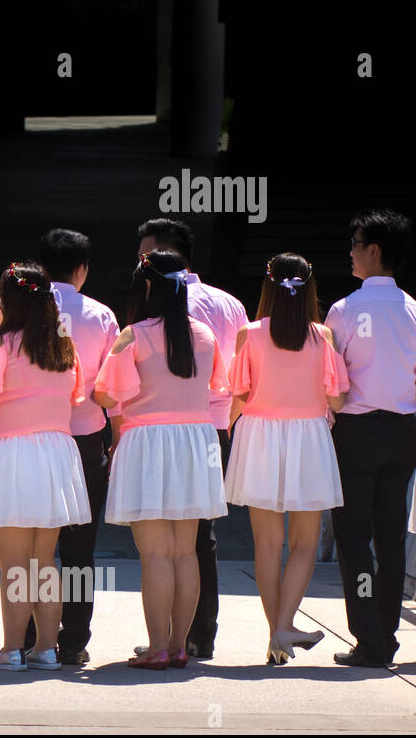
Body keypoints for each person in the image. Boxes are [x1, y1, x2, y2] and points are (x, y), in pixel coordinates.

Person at [93, 249, 229, 671]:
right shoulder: (205, 334)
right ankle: (179, 645)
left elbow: (104, 393)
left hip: (146, 441)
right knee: (186, 552)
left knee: (154, 554)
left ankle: (157, 648)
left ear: (147, 287)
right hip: (195, 440)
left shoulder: (133, 335)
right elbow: (218, 387)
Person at [0, 263, 90, 672]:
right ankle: (47, 649)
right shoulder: (62, 345)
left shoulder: (1, 345)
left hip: (11, 453)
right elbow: (75, 395)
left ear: (7, 301)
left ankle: (12, 650)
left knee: (13, 564)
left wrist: (0, 327)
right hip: (55, 452)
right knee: (44, 560)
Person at [225, 254, 349, 664]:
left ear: (268, 286)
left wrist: (228, 433)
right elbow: (338, 398)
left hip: (258, 434)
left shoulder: (249, 333)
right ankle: (284, 626)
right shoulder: (323, 336)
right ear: (310, 287)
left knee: (267, 542)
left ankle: (278, 633)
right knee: (303, 543)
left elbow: (238, 394)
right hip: (308, 436)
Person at [136, 218, 247, 659]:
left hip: (160, 430)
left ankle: (163, 643)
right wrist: (231, 423)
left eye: (145, 255)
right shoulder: (229, 304)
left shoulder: (157, 307)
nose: (138, 264)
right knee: (202, 539)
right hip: (211, 429)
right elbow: (238, 378)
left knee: (161, 545)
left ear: (165, 254)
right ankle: (198, 637)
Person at [22, 228, 121, 665]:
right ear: (82, 269)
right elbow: (110, 386)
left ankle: (27, 636)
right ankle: (74, 640)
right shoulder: (101, 315)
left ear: (40, 266)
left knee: (29, 547)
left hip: (31, 440)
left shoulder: (24, 308)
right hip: (82, 441)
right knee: (79, 548)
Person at [324, 209, 416, 668]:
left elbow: (332, 380)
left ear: (374, 250)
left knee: (354, 537)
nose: (352, 251)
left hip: (357, 431)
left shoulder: (344, 310)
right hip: (404, 430)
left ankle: (369, 637)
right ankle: (387, 633)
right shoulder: (415, 311)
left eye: (356, 243)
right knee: (392, 537)